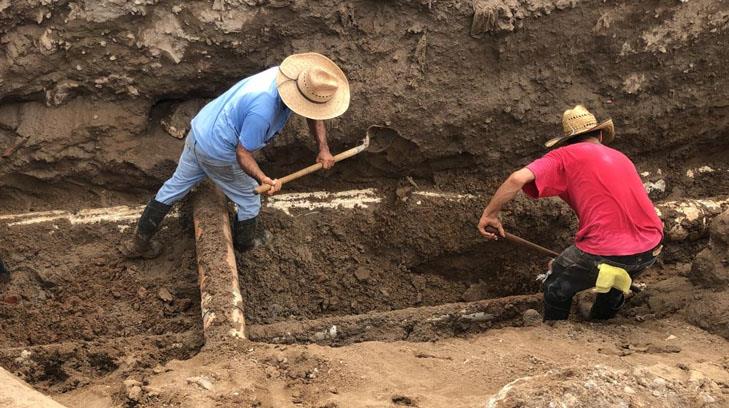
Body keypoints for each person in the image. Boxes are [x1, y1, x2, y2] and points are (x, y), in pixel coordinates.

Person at [122, 52, 350, 258]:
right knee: (250, 201)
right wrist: (263, 179)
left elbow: (312, 109)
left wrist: (323, 148)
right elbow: (243, 153)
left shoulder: (287, 79)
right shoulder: (263, 112)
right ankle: (245, 248)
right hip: (219, 151)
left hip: (200, 130)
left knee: (174, 186)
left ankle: (137, 244)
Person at [477, 105, 663, 321]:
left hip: (606, 249)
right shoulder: (621, 157)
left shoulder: (563, 156)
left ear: (566, 142)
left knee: (555, 284)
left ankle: (558, 331)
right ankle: (602, 321)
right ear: (601, 135)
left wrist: (490, 215)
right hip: (651, 247)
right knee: (615, 278)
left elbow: (517, 179)